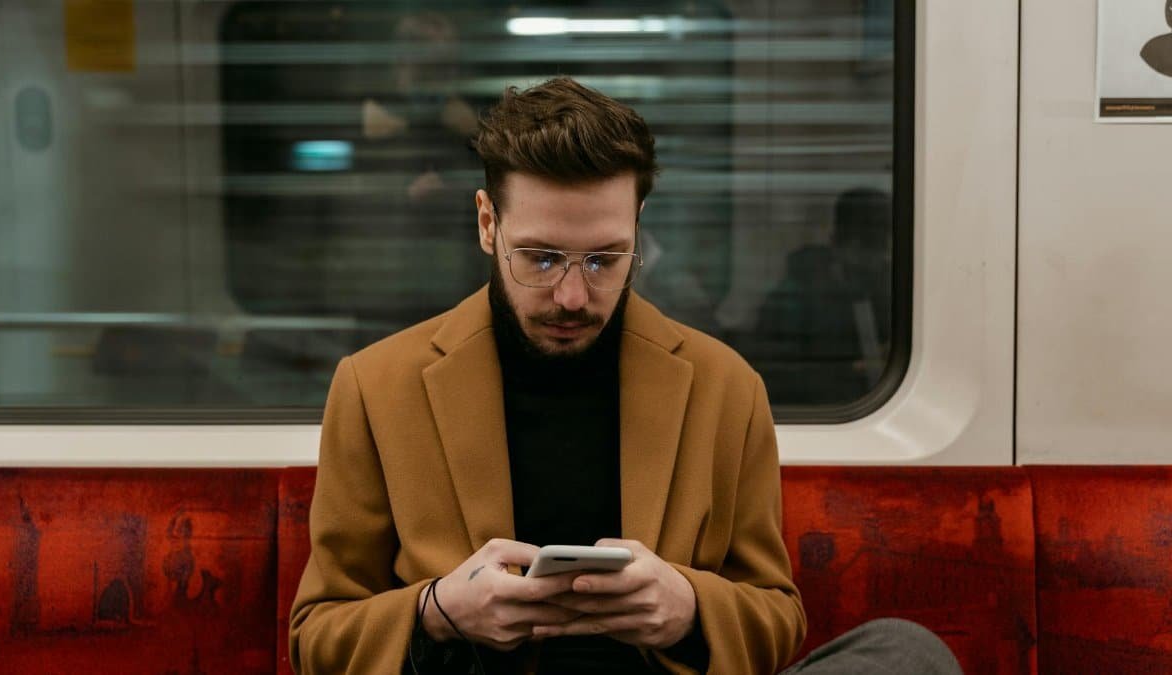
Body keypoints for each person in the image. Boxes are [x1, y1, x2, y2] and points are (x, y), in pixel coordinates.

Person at [289, 77, 962, 674]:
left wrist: (690, 608)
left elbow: (776, 615)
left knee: (909, 652)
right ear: (488, 223)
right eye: (542, 259)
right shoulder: (378, 387)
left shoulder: (724, 387)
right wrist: (440, 611)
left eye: (606, 259)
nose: (574, 297)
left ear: (638, 228)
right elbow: (317, 636)